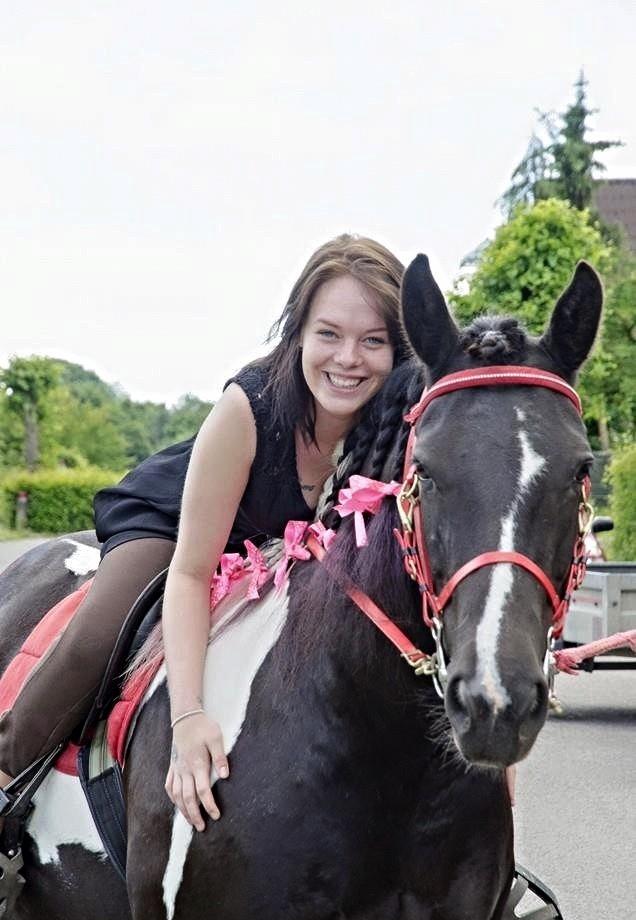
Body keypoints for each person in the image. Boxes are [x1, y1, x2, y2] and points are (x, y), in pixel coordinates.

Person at [0, 234, 410, 832]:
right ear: (297, 332)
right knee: (99, 637)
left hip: (280, 560)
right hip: (179, 528)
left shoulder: (404, 428)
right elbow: (192, 573)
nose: (348, 358)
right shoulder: (249, 407)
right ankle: (7, 774)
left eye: (373, 341)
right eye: (329, 334)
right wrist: (188, 717)